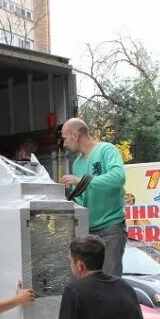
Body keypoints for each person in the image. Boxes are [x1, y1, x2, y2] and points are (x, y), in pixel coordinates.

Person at [60, 118, 128, 277]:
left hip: (111, 228)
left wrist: (83, 181)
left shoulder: (106, 150)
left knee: (109, 283)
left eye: (65, 138)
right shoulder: (77, 163)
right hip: (89, 233)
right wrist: (67, 198)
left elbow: (119, 177)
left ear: (75, 135)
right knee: (89, 282)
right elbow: (84, 200)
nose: (64, 144)